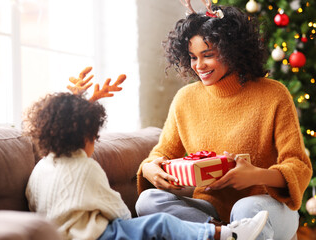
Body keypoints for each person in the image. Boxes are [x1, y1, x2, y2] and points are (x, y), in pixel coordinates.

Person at [135, 4, 312, 240]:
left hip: (267, 207)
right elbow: (162, 153)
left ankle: (228, 231)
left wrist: (256, 175)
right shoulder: (185, 99)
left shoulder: (274, 94)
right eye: (192, 57)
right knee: (148, 200)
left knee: (245, 210)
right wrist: (149, 168)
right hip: (211, 211)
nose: (199, 66)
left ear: (232, 51)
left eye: (208, 55)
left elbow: (299, 165)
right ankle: (221, 232)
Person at [23, 90, 269, 240]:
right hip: (98, 236)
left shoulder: (40, 169)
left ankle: (221, 232)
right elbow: (116, 209)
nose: (94, 144)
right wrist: (128, 224)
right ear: (85, 137)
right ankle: (228, 234)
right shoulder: (84, 167)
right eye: (94, 137)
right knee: (159, 223)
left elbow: (35, 202)